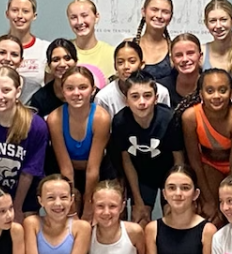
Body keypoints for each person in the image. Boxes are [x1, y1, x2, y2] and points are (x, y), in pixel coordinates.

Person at [0, 68, 48, 215]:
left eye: (6, 90)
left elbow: (28, 173)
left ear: (18, 92)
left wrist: (16, 208)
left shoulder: (36, 126)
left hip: (25, 200)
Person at [182, 68, 232, 221]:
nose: (216, 96)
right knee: (210, 214)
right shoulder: (190, 117)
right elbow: (195, 161)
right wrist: (210, 201)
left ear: (231, 93)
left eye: (223, 90)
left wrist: (227, 202)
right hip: (209, 165)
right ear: (201, 94)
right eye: (210, 91)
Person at [112, 75, 179, 222]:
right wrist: (138, 200)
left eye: (147, 96)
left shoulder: (169, 118)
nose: (142, 102)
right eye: (135, 96)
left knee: (174, 214)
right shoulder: (120, 122)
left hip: (168, 172)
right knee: (140, 217)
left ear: (156, 98)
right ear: (126, 100)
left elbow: (178, 160)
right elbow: (126, 160)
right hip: (140, 174)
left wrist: (174, 191)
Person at [49, 68, 110, 207]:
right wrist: (71, 204)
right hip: (68, 172)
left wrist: (89, 203)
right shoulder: (55, 119)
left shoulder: (101, 118)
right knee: (71, 205)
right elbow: (66, 169)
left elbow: (93, 170)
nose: (76, 93)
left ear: (93, 90)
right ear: (63, 91)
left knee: (99, 205)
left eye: (83, 87)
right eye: (70, 88)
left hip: (98, 170)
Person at [0, 0, 49, 77]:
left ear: (34, 16)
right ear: (7, 14)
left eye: (25, 11)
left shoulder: (46, 50)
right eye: (15, 10)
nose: (19, 15)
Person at [65, 0, 116, 85]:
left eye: (84, 16)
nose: (79, 22)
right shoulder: (62, 51)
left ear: (96, 17)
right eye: (73, 17)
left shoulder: (112, 54)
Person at [93, 40, 147, 120]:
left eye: (132, 61)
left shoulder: (159, 92)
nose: (126, 67)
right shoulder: (103, 98)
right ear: (115, 66)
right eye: (120, 62)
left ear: (141, 64)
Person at [134, 0, 177, 83]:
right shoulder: (130, 46)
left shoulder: (175, 49)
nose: (159, 16)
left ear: (171, 17)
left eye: (165, 12)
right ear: (143, 12)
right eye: (154, 10)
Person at [163, 33, 206, 115]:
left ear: (200, 56)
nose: (185, 59)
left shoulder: (211, 86)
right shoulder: (162, 88)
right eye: (179, 55)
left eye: (190, 53)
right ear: (172, 59)